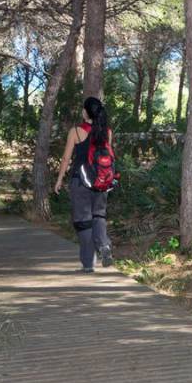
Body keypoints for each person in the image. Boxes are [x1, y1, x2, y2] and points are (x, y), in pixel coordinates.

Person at [54, 96, 114, 273]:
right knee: (99, 216)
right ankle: (104, 244)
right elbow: (106, 158)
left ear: (86, 112)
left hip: (80, 181)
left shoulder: (76, 131)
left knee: (83, 222)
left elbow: (66, 158)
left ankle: (88, 264)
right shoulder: (107, 132)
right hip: (101, 181)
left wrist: (59, 180)